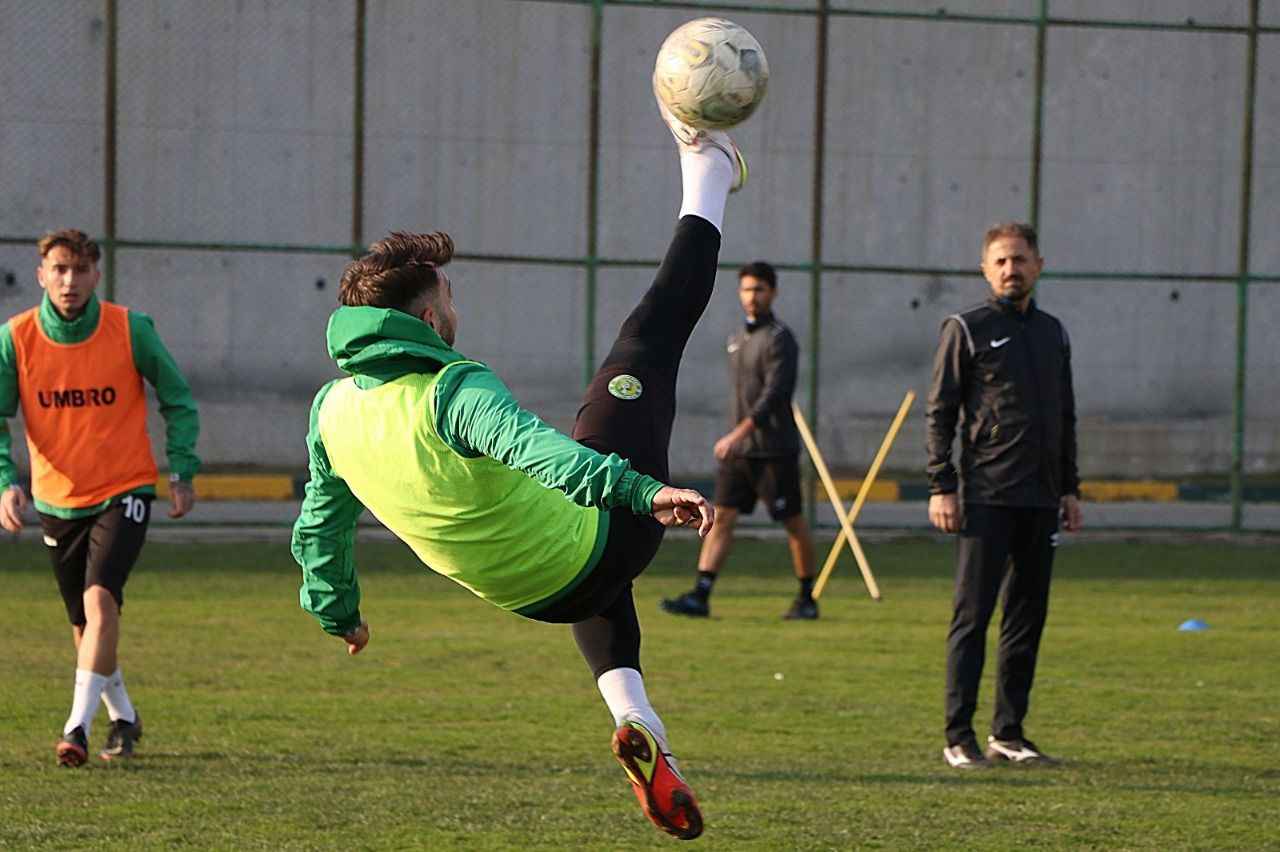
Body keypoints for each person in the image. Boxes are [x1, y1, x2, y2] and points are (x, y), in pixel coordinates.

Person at [290, 99, 749, 840]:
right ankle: (711, 173)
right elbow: (543, 452)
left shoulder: (329, 412)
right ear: (430, 320)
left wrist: (337, 611)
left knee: (595, 586)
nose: (454, 305)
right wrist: (642, 490)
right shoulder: (452, 389)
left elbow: (320, 526)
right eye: (449, 294)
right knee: (648, 338)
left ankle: (640, 725)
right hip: (609, 535)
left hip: (534, 595)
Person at [0, 229, 200, 766]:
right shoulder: (15, 338)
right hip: (57, 500)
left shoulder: (129, 329)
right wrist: (5, 481)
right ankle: (124, 718)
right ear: (42, 274)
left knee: (99, 600)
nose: (70, 280)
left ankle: (76, 728)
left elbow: (177, 398)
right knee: (85, 628)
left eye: (80, 269)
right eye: (59, 269)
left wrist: (181, 469)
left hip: (124, 489)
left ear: (96, 274)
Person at [925, 222, 1082, 770]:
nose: (1010, 269)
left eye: (1019, 259)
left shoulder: (1054, 332)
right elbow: (940, 412)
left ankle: (1008, 733)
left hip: (1040, 500)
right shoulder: (965, 329)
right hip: (985, 497)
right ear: (985, 269)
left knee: (1026, 618)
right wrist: (942, 485)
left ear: (1039, 265)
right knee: (972, 618)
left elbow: (1064, 416)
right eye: (1000, 261)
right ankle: (958, 736)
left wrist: (1069, 488)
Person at [660, 261, 818, 620]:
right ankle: (700, 594)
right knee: (722, 517)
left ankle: (807, 598)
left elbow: (775, 395)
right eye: (747, 289)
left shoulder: (780, 338)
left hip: (773, 450)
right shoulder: (737, 339)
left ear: (773, 293)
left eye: (759, 289)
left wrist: (739, 433)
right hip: (739, 452)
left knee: (793, 521)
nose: (752, 296)